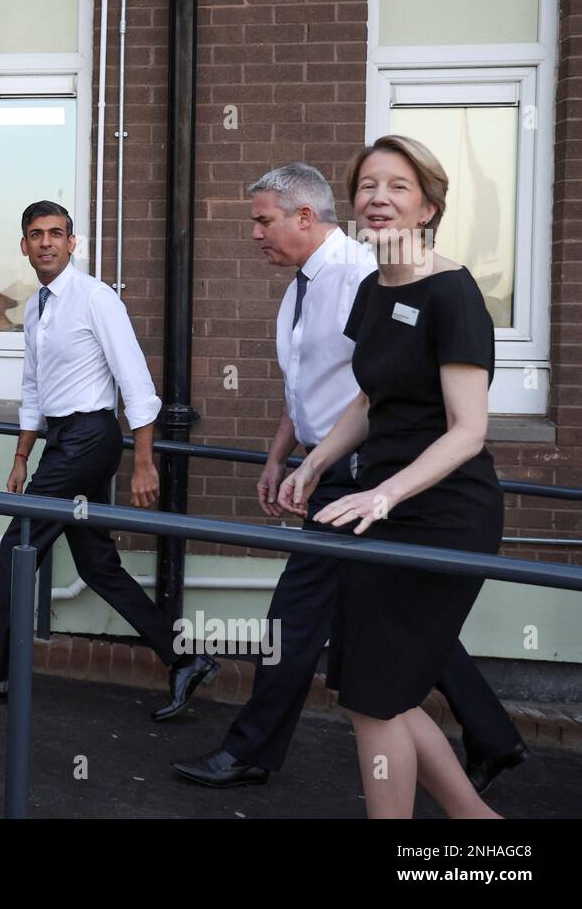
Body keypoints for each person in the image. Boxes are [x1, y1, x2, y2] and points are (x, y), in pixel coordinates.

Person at [172, 164, 526, 793]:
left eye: (263, 220)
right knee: (380, 625)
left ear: (304, 216)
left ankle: (251, 748)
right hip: (331, 466)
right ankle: (491, 741)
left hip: (365, 477)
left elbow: (397, 399)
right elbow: (312, 384)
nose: (255, 234)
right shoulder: (300, 288)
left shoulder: (364, 273)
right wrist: (285, 454)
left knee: (299, 618)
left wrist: (363, 480)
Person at [278, 136, 514, 818]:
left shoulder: (453, 293)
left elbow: (469, 429)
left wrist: (384, 493)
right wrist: (316, 461)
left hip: (441, 515)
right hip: (375, 508)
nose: (379, 198)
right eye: (368, 186)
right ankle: (480, 825)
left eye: (399, 187)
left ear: (428, 207)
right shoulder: (373, 290)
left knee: (375, 699)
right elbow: (370, 399)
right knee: (373, 691)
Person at [0, 200, 217, 720]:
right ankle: (185, 659)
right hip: (62, 439)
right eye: (36, 234)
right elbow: (34, 389)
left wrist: (144, 460)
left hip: (90, 437)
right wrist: (20, 456)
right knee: (97, 564)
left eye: (56, 233)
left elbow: (135, 381)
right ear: (24, 245)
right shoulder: (37, 307)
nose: (46, 243)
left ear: (72, 242)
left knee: (18, 544)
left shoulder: (95, 299)